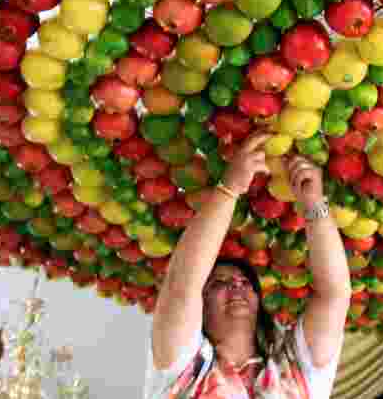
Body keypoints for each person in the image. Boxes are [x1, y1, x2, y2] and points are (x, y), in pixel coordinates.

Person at [145, 132, 351, 399]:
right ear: (200, 306)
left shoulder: (293, 368)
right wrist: (229, 189)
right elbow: (181, 286)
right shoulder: (183, 368)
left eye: (245, 283)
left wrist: (314, 205)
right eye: (219, 283)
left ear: (257, 302)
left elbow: (335, 295)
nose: (236, 286)